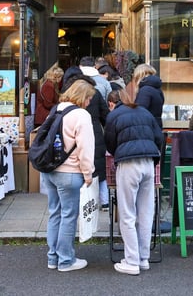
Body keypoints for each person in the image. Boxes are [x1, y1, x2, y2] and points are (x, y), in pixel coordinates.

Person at [104, 83, 163, 275]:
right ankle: (144, 258)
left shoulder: (113, 116)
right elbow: (158, 137)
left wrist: (119, 153)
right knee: (146, 213)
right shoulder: (144, 112)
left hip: (128, 164)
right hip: (149, 162)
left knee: (127, 214)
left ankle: (131, 261)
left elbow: (110, 143)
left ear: (112, 103)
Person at [44, 79, 96, 272]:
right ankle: (66, 260)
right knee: (68, 216)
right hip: (70, 172)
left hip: (49, 170)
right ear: (82, 97)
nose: (90, 102)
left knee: (55, 213)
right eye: (89, 98)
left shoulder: (57, 109)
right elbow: (85, 148)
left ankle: (53, 258)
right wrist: (88, 174)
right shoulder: (81, 115)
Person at [63, 67, 110, 212]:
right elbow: (105, 114)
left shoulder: (67, 93)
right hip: (95, 131)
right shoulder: (94, 92)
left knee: (77, 167)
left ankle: (81, 202)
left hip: (71, 134)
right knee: (98, 168)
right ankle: (104, 201)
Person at [133, 63, 164, 129]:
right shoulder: (157, 88)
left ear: (139, 75)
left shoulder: (145, 90)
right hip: (156, 126)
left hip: (147, 128)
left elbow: (139, 113)